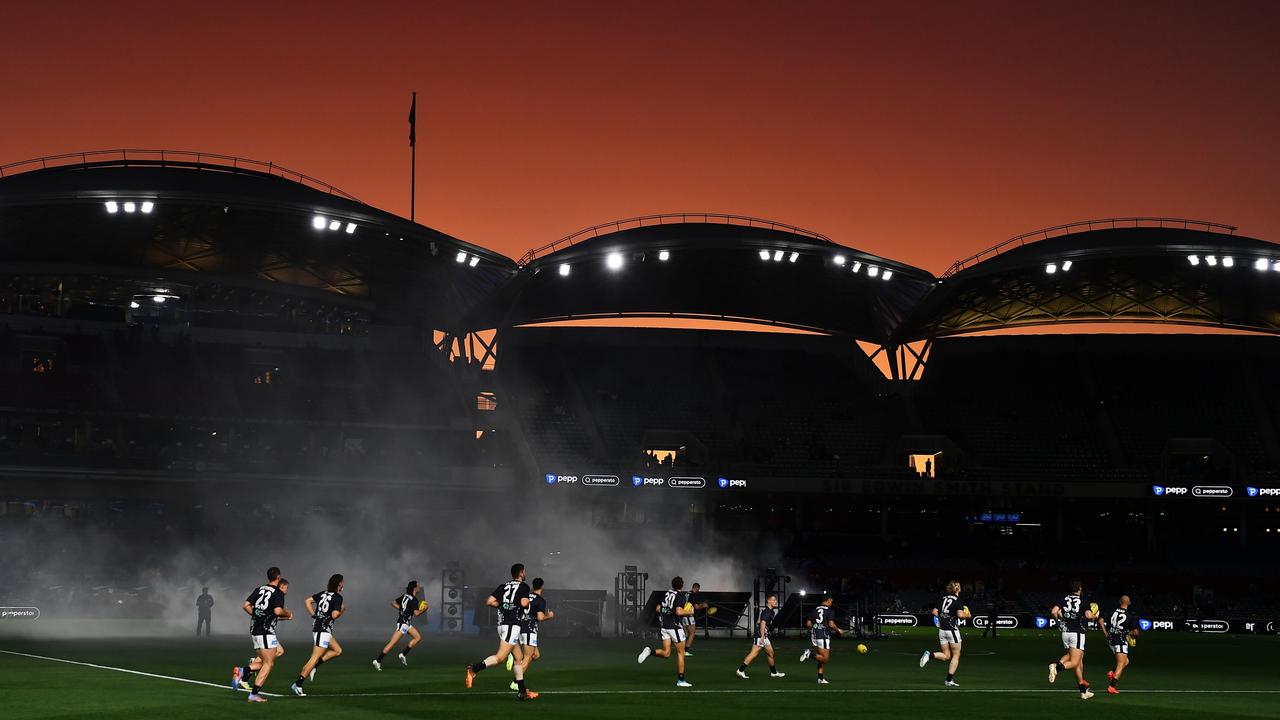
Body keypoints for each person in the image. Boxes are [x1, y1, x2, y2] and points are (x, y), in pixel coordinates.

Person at [466, 563, 538, 700]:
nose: (525, 573)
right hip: (512, 625)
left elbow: (489, 601)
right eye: (525, 571)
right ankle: (474, 669)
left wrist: (505, 605)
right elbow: (523, 603)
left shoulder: (503, 586)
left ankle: (522, 692)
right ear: (521, 573)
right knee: (500, 658)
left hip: (502, 625)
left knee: (518, 658)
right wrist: (526, 603)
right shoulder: (523, 587)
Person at [237, 569, 292, 703]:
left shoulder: (259, 589)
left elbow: (245, 605)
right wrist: (288, 613)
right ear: (278, 577)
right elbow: (278, 611)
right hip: (266, 632)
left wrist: (256, 615)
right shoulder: (278, 592)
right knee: (268, 663)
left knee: (272, 656)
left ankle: (245, 672)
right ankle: (251, 690)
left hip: (255, 630)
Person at [290, 574, 346, 696]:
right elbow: (335, 615)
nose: (344, 584)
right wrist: (342, 610)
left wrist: (313, 615)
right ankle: (298, 684)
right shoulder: (337, 597)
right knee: (314, 658)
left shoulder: (323, 594)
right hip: (323, 629)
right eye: (343, 582)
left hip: (321, 628)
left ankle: (315, 667)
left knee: (337, 650)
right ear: (339, 584)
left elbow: (307, 601)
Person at [636, 576, 694, 687]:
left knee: (667, 653)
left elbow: (658, 608)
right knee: (681, 653)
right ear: (682, 585)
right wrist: (690, 612)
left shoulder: (667, 594)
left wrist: (669, 610)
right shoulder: (681, 596)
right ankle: (681, 680)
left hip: (664, 627)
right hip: (674, 627)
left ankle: (650, 651)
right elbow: (678, 612)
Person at [1048, 579, 1098, 700]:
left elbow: (1054, 611)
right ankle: (1056, 667)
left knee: (1076, 662)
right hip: (1077, 633)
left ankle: (1083, 691)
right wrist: (1095, 615)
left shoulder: (1064, 599)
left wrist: (1058, 622)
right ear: (1080, 589)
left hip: (1065, 632)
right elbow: (1088, 616)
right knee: (1075, 662)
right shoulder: (1083, 601)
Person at [919, 580, 971, 686]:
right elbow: (960, 615)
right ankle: (948, 680)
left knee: (946, 656)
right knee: (956, 655)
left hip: (942, 630)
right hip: (952, 630)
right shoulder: (958, 600)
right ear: (958, 589)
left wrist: (942, 618)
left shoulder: (943, 598)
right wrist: (968, 615)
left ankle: (929, 655)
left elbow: (934, 612)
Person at [509, 577, 554, 690]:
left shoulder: (525, 597)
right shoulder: (540, 600)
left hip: (519, 627)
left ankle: (513, 655)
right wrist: (549, 616)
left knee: (535, 655)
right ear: (542, 586)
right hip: (529, 629)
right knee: (528, 657)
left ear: (533, 586)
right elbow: (540, 617)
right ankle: (516, 682)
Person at [373, 580, 426, 670]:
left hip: (406, 623)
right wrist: (425, 609)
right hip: (403, 624)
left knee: (417, 637)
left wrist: (402, 609)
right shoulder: (414, 600)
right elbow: (416, 614)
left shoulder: (404, 596)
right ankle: (377, 661)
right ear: (414, 588)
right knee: (392, 643)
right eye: (418, 586)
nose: (419, 587)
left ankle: (403, 654)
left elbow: (393, 603)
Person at [737, 593, 784, 679]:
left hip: (763, 635)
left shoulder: (769, 611)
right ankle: (740, 670)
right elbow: (762, 623)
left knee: (771, 653)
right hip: (760, 635)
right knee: (754, 653)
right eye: (773, 600)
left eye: (775, 600)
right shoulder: (767, 611)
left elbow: (759, 621)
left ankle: (773, 672)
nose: (775, 601)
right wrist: (762, 636)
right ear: (768, 601)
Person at [799, 595, 843, 684]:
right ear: (829, 600)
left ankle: (820, 678)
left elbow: (808, 624)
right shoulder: (830, 611)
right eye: (831, 601)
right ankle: (809, 654)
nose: (832, 603)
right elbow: (831, 624)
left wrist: (816, 627)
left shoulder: (814, 610)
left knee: (820, 657)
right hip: (823, 635)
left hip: (814, 635)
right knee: (825, 659)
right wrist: (838, 630)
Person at [1099, 595, 1138, 694]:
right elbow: (1136, 632)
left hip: (1111, 640)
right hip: (1121, 641)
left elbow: (1100, 620)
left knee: (1126, 661)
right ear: (1129, 603)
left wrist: (1106, 634)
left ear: (1120, 602)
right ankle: (1112, 686)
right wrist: (1131, 634)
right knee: (1121, 664)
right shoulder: (1130, 616)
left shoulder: (1112, 612)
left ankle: (1112, 672)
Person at [683, 582, 710, 654]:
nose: (699, 590)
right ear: (696, 588)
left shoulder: (687, 593)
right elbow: (696, 607)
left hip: (682, 614)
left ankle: (681, 649)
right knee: (692, 633)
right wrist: (704, 606)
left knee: (686, 634)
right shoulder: (693, 595)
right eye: (698, 589)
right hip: (688, 615)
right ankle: (684, 651)